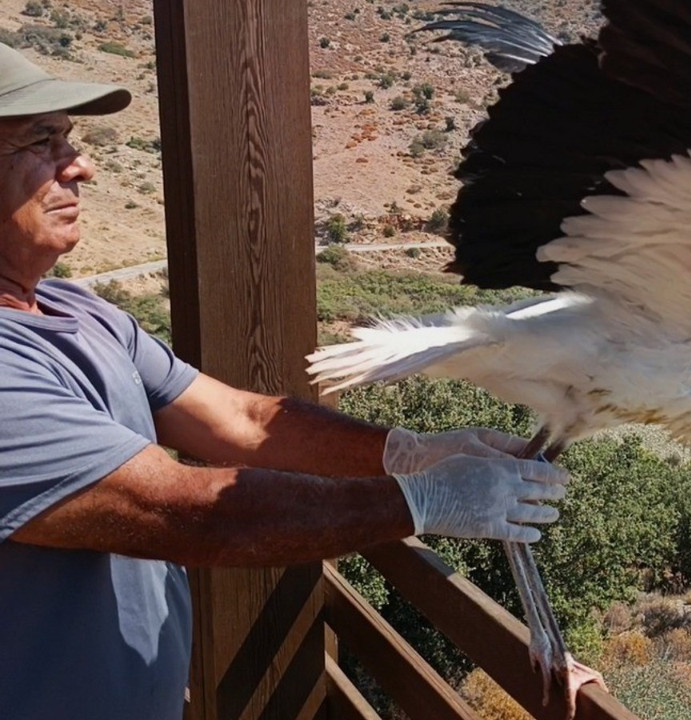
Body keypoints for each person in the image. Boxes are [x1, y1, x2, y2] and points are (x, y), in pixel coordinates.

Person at [0, 42, 569, 719]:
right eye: (43, 141)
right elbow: (183, 514)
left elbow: (241, 421)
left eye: (71, 138)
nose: (82, 165)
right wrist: (421, 500)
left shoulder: (75, 309)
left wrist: (407, 452)